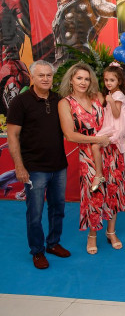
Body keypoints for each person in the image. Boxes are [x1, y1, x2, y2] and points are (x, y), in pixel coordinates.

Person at [58, 62, 125, 254]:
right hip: (89, 154)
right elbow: (70, 135)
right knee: (94, 194)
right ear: (71, 80)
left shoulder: (98, 96)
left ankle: (111, 231)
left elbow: (117, 116)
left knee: (114, 191)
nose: (83, 82)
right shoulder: (65, 103)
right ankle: (92, 235)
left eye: (87, 78)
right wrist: (97, 139)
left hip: (113, 151)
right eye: (79, 78)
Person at [7, 61, 69, 269]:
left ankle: (53, 243)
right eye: (41, 75)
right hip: (34, 168)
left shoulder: (59, 100)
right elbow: (12, 136)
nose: (45, 79)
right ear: (32, 78)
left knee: (58, 208)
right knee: (35, 213)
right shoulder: (20, 102)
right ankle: (37, 251)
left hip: (59, 166)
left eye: (49, 75)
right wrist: (19, 166)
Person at [53, 0, 116, 65]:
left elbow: (116, 11)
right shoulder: (63, 8)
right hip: (62, 62)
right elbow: (63, 5)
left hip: (81, 60)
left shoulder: (92, 2)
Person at [90, 64, 125, 193]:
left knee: (95, 146)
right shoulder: (112, 93)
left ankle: (99, 174)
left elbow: (116, 114)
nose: (108, 83)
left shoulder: (118, 95)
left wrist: (110, 101)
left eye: (112, 80)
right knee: (97, 147)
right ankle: (100, 174)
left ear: (119, 81)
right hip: (111, 124)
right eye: (106, 80)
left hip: (116, 126)